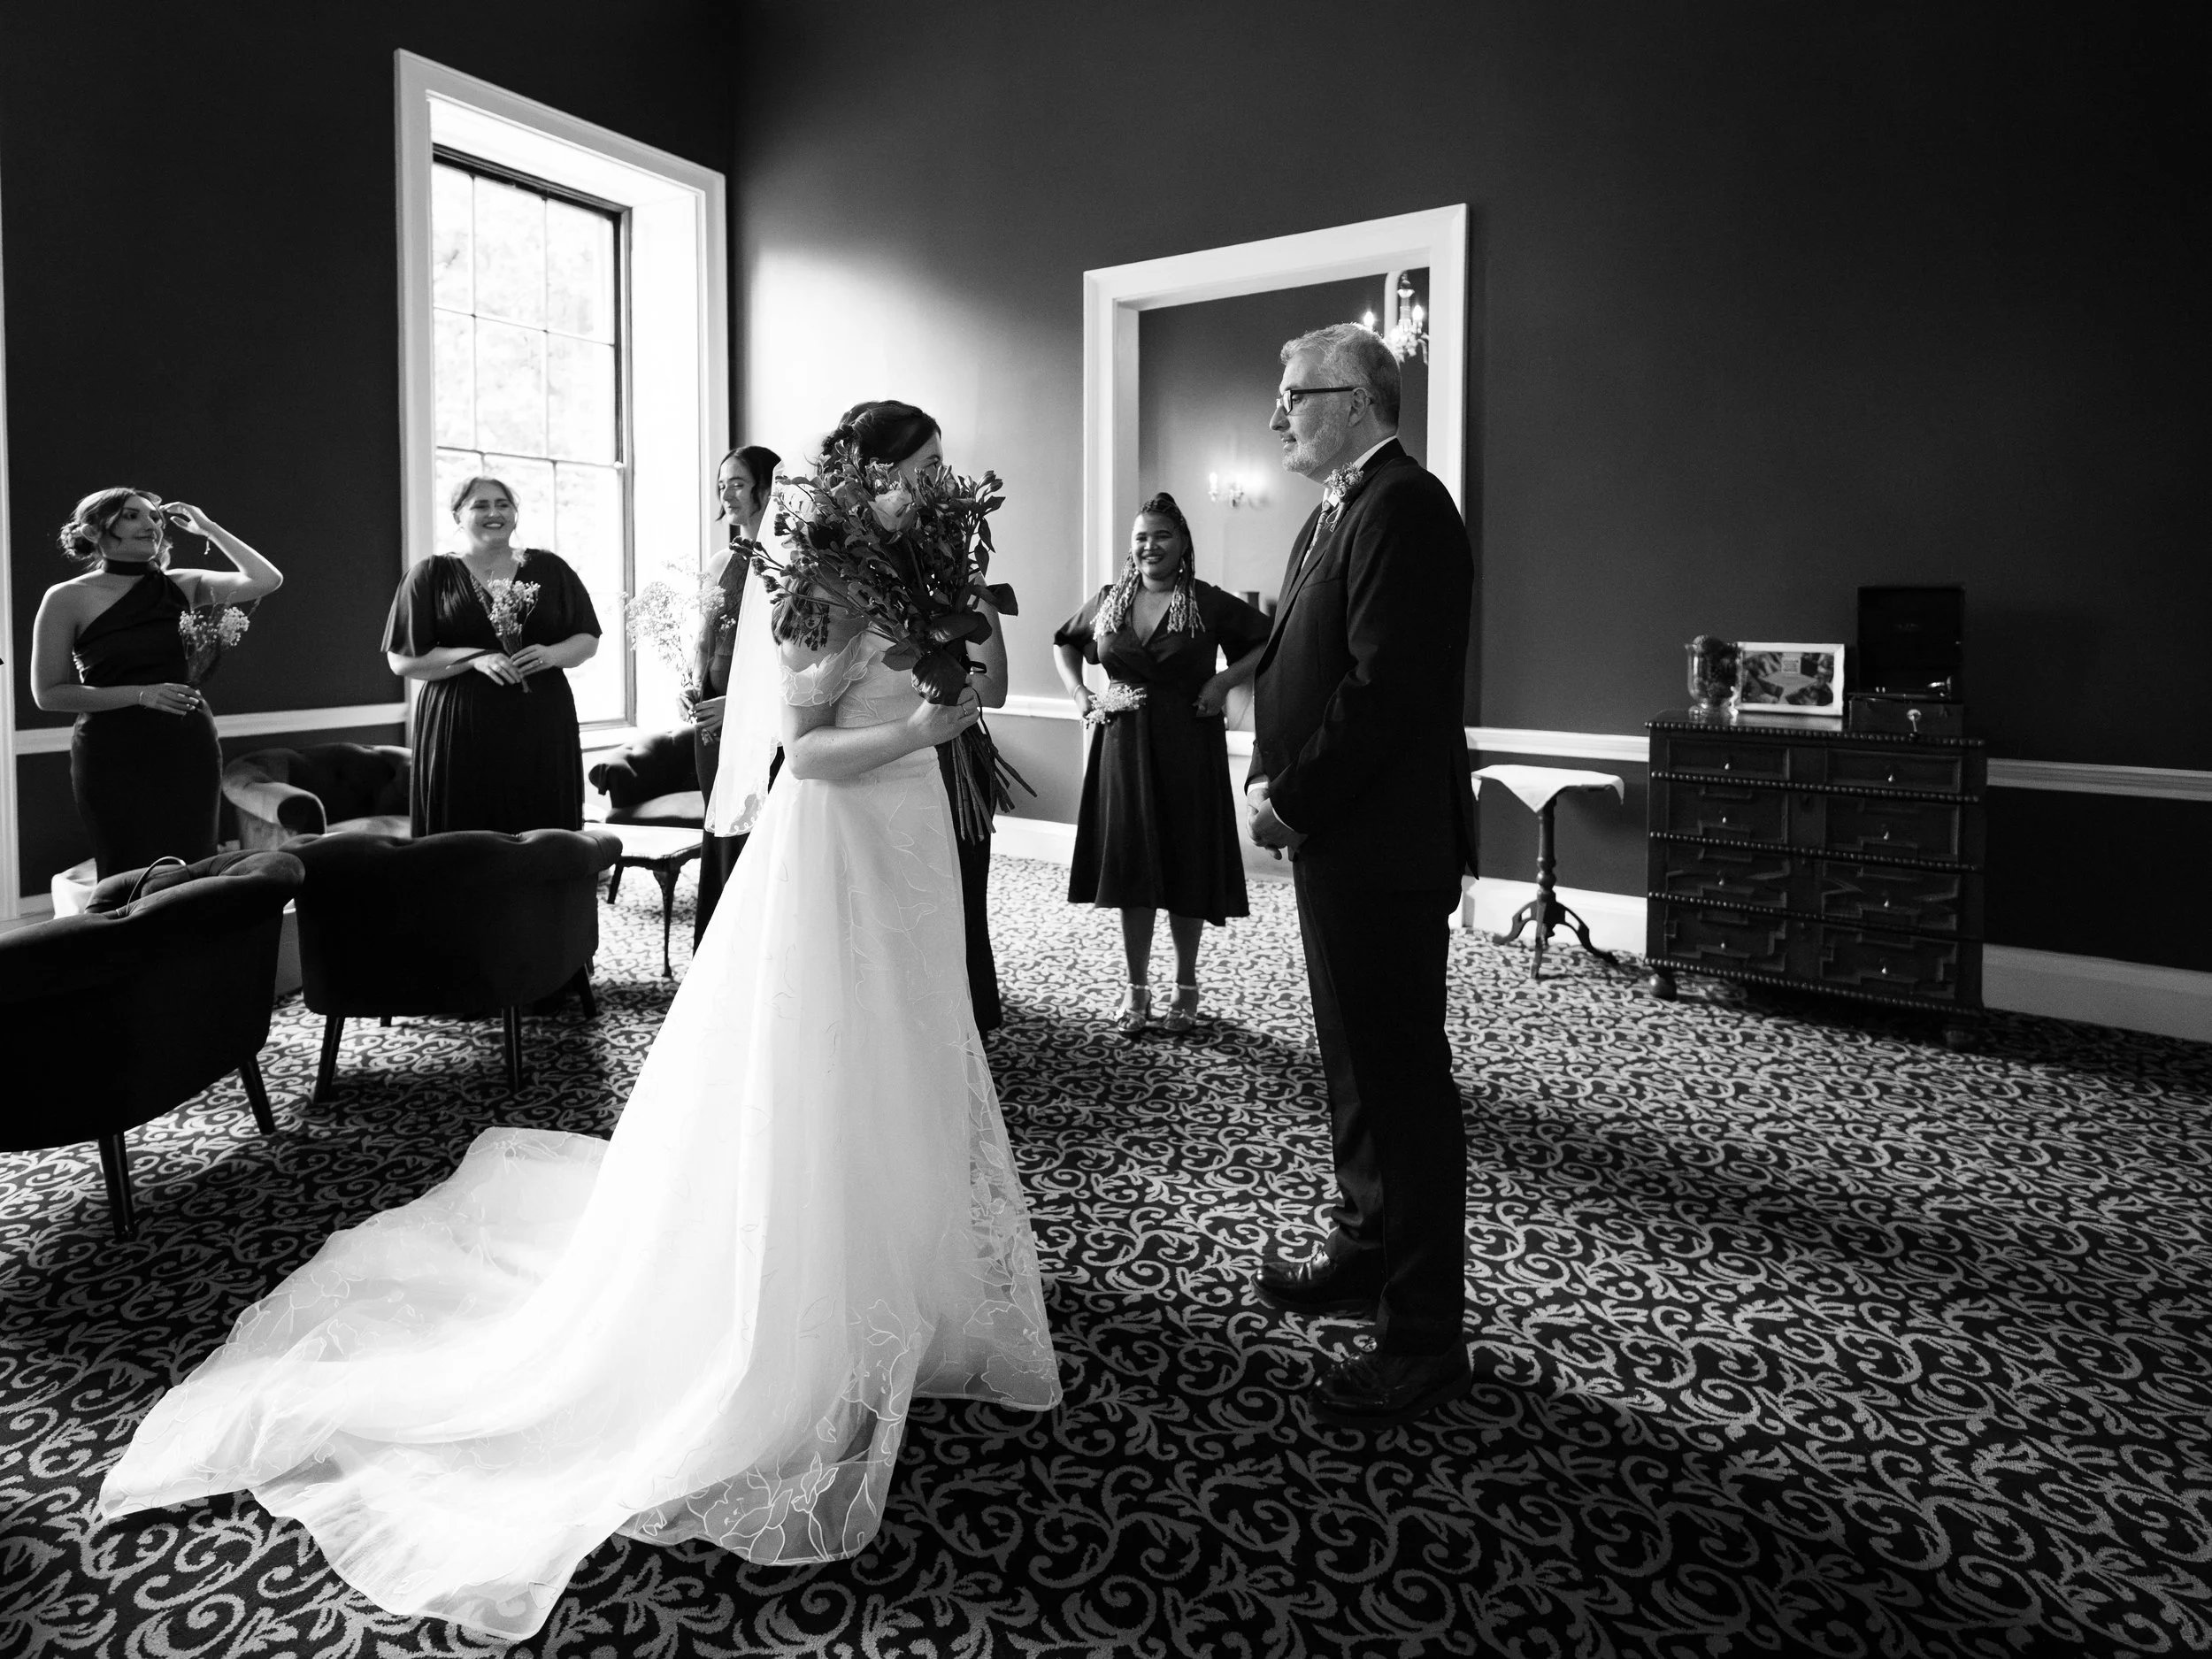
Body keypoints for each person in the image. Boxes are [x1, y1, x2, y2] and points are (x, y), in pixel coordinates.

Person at [100, 426, 1060, 1640]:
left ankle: (909, 1270)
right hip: (842, 843)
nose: (933, 491)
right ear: (867, 480)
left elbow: (976, 673)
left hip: (914, 832)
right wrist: (921, 731)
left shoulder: (922, 569)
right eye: (917, 472)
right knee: (829, 1050)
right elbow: (806, 753)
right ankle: (809, 1288)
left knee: (912, 1039)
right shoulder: (813, 584)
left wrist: (964, 685)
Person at [1245, 324, 1479, 1431]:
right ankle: (1363, 1250)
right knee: (1352, 1071)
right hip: (1337, 845)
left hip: (1379, 848)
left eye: (1292, 395)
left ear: (1355, 399)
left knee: (1402, 1087)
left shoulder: (1408, 509)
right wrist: (1265, 771)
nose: (1278, 414)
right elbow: (1297, 659)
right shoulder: (1333, 510)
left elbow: (1385, 691)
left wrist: (1289, 800)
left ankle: (1424, 1335)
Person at [820, 400, 1009, 1033]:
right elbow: (809, 714)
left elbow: (998, 685)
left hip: (953, 764)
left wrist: (969, 602)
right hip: (873, 779)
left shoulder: (947, 559)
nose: (943, 480)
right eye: (930, 466)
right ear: (880, 472)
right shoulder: (836, 577)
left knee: (953, 917)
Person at [1054, 494, 1271, 1035]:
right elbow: (1064, 642)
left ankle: (1186, 985)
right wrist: (1081, 693)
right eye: (1141, 537)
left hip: (1186, 746)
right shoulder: (1109, 600)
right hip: (1121, 746)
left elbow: (1268, 641)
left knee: (1184, 863)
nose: (1150, 545)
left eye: (1161, 536)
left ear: (1182, 544)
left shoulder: (1206, 602)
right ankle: (1135, 989)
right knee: (1131, 867)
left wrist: (1222, 682)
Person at [30, 488, 283, 878]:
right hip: (111, 754)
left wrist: (209, 529)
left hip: (188, 746)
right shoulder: (66, 598)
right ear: (93, 531)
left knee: (193, 870)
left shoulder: (182, 584)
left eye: (155, 518)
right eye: (132, 516)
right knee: (127, 873)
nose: (151, 524)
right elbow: (48, 694)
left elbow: (266, 579)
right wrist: (141, 695)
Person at [383, 475, 601, 837]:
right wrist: (474, 657)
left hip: (542, 720)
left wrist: (550, 654)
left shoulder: (551, 569)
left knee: (541, 826)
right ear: (457, 516)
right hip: (458, 725)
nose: (493, 513)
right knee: (463, 829)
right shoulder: (429, 575)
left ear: (515, 514)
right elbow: (402, 661)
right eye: (479, 505)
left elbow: (587, 640)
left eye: (503, 504)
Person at [692, 442, 781, 943]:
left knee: (758, 832)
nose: (726, 493)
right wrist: (690, 679)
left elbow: (786, 658)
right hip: (711, 721)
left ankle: (756, 947)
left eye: (738, 483)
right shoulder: (719, 560)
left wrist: (741, 705)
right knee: (719, 826)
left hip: (761, 718)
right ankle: (718, 948)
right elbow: (703, 638)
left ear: (766, 488)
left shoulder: (792, 563)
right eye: (721, 483)